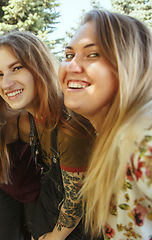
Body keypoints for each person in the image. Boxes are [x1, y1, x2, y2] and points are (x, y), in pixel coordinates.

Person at [0, 31, 96, 240]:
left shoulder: (69, 128)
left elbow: (75, 204)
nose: (6, 84)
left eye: (16, 68)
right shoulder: (30, 117)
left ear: (39, 66)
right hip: (49, 206)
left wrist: (55, 236)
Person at [59, 9, 152, 239]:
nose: (71, 66)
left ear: (130, 65)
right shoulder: (111, 135)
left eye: (92, 55)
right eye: (69, 55)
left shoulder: (141, 135)